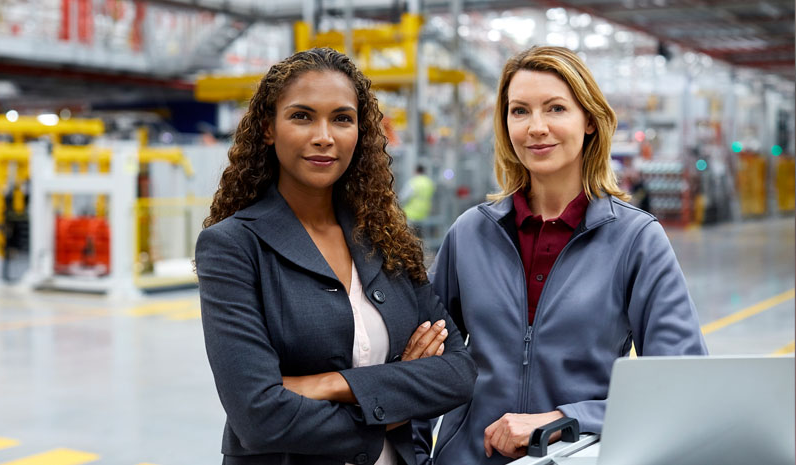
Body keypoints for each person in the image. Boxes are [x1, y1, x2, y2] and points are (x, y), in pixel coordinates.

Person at [414, 46, 707, 464]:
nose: (536, 127)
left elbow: (683, 386)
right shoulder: (470, 234)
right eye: (519, 111)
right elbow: (419, 366)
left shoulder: (636, 240)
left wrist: (561, 419)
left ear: (588, 120)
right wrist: (418, 457)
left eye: (555, 109)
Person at [195, 48, 476, 465]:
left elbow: (457, 373)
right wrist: (391, 408)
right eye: (302, 116)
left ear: (360, 132)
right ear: (269, 128)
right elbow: (257, 416)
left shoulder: (384, 238)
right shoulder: (233, 246)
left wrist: (328, 384)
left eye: (342, 118)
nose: (324, 135)